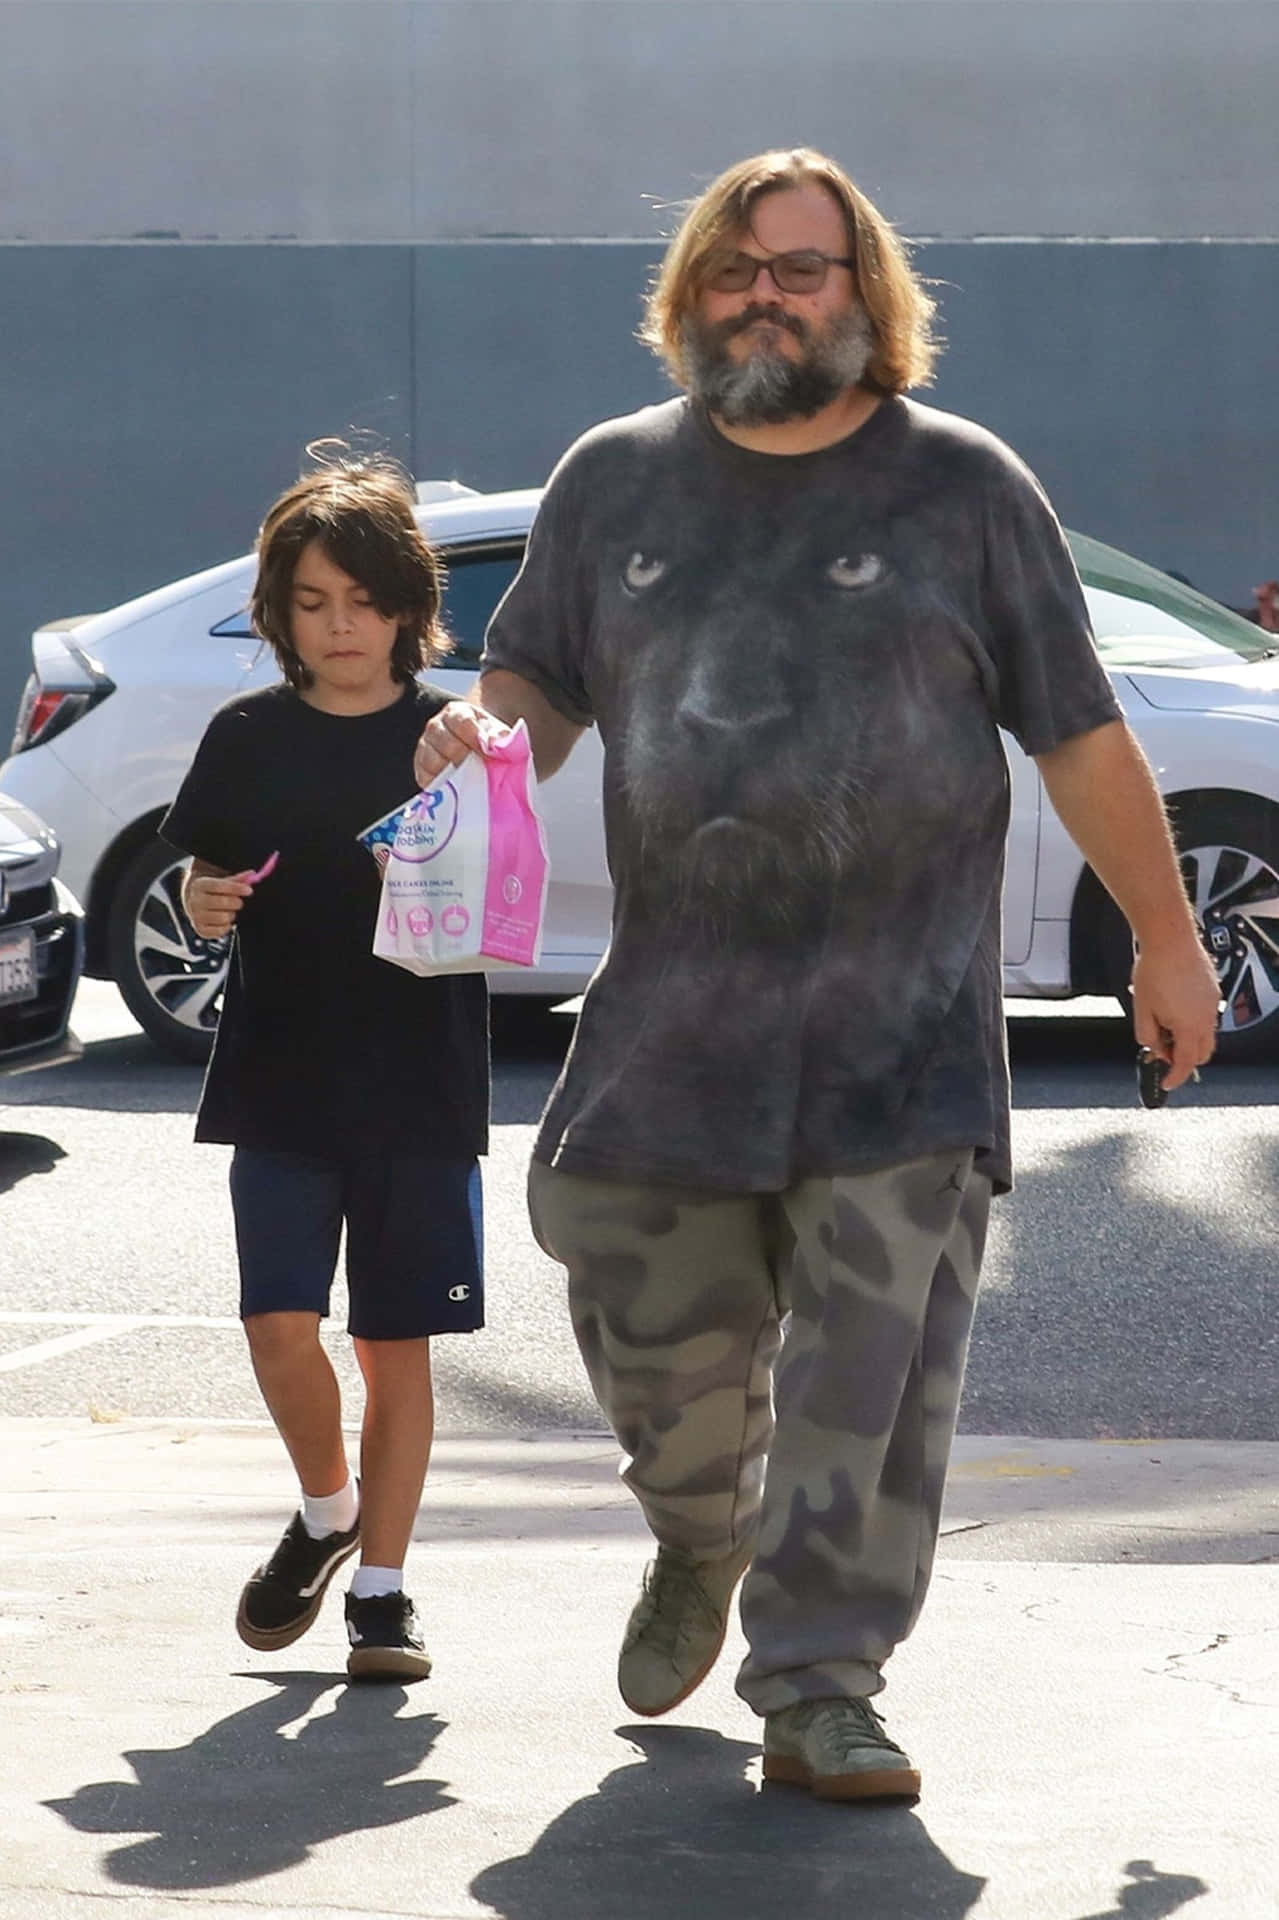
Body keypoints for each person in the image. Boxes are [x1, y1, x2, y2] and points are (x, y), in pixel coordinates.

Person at [415, 148, 1221, 1797]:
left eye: (804, 269)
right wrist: (474, 733)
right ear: (689, 295)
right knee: (652, 1347)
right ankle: (696, 1531)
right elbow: (533, 683)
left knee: (866, 1391)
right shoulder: (611, 483)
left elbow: (1075, 731)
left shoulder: (961, 488)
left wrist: (1164, 934)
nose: (767, 296)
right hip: (666, 1037)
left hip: (903, 1044)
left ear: (868, 298)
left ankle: (816, 1685)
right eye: (736, 270)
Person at [162, 448, 488, 1682]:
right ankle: (326, 1510)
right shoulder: (245, 736)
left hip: (422, 1077)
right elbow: (207, 893)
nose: (338, 625)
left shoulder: (453, 735)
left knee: (393, 1347)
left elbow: (509, 861)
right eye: (311, 601)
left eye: (361, 599)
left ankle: (385, 1597)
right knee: (279, 1328)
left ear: (409, 607)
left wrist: (478, 756)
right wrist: (204, 899)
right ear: (279, 614)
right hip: (279, 1075)